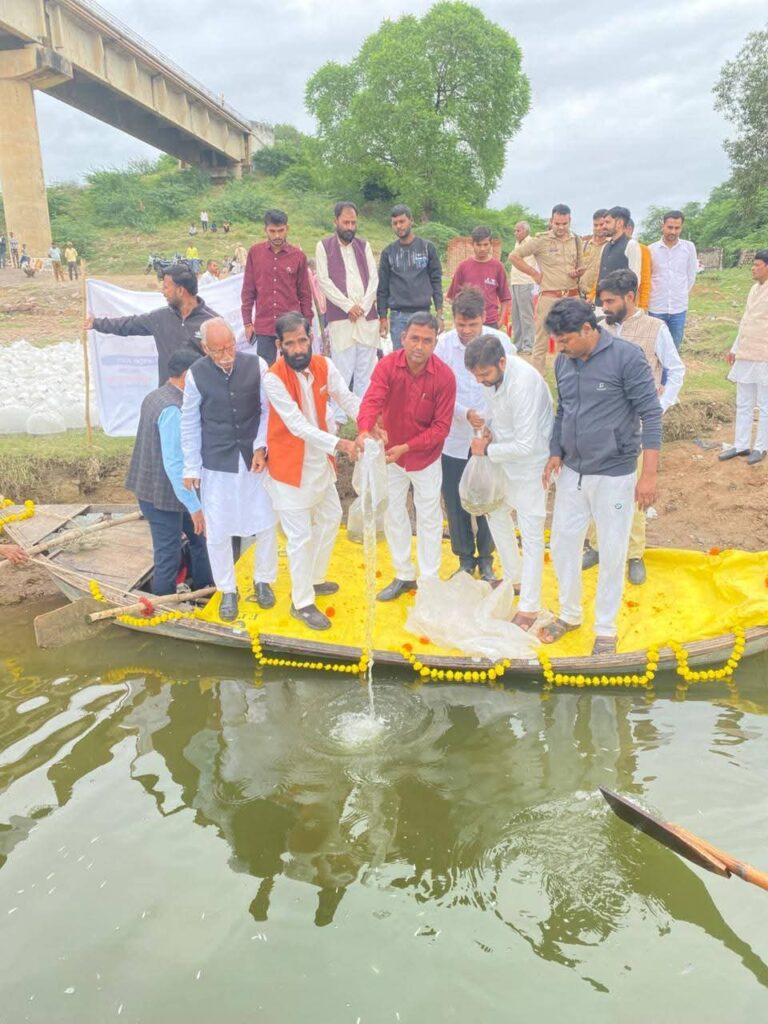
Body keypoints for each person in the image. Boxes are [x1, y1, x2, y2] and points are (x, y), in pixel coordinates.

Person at [540, 299, 662, 656]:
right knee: (562, 545)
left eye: (565, 340)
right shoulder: (564, 361)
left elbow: (651, 415)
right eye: (557, 341)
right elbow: (564, 409)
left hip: (614, 474)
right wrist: (556, 450)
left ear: (587, 329)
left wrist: (649, 475)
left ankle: (606, 628)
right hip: (572, 471)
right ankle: (569, 614)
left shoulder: (627, 357)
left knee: (611, 551)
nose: (560, 348)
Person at [583, 270, 685, 584]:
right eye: (602, 302)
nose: (604, 307)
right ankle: (596, 545)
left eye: (610, 301)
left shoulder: (655, 328)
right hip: (601, 423)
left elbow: (676, 369)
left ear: (630, 297)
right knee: (597, 486)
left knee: (634, 489)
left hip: (636, 426)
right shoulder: (600, 328)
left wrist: (660, 405)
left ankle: (634, 553)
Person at [262, 312, 361, 631]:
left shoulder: (324, 365)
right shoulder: (273, 378)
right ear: (279, 345)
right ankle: (301, 602)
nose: (297, 349)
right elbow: (297, 426)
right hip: (290, 468)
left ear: (311, 339)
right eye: (289, 343)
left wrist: (368, 423)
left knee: (332, 517)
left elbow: (347, 398)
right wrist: (341, 444)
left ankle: (314, 579)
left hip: (321, 462)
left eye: (302, 341)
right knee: (299, 537)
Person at [181, 319, 277, 622]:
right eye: (218, 350)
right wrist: (191, 466)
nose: (227, 355)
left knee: (265, 521)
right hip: (216, 462)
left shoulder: (257, 365)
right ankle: (227, 589)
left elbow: (268, 410)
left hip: (254, 458)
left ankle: (263, 580)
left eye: (230, 347)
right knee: (218, 529)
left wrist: (261, 446)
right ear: (205, 348)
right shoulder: (195, 375)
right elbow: (189, 422)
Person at [357, 313, 456, 601]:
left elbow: (441, 428)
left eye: (427, 341)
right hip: (391, 455)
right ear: (403, 338)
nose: (419, 346)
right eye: (414, 338)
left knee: (429, 515)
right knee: (393, 512)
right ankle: (403, 574)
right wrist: (364, 429)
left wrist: (408, 447)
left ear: (435, 343)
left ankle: (429, 580)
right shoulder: (387, 366)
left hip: (425, 458)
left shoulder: (445, 377)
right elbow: (372, 399)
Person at [464, 334, 554, 629]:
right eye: (476, 376)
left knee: (531, 533)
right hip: (503, 457)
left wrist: (486, 450)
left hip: (531, 464)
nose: (480, 381)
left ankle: (529, 607)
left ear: (502, 362)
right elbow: (497, 411)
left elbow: (527, 444)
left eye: (484, 374)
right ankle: (515, 579)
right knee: (495, 512)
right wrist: (489, 430)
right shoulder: (491, 377)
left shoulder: (523, 383)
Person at [434, 287, 513, 581]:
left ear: (484, 318)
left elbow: (509, 387)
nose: (466, 331)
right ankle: (465, 559)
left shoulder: (500, 342)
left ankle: (487, 559)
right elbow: (439, 392)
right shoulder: (443, 346)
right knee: (456, 500)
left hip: (491, 436)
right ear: (452, 319)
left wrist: (489, 422)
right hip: (455, 436)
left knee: (490, 496)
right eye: (461, 324)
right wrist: (464, 413)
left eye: (473, 324)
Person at [126, 348, 214, 596]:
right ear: (187, 375)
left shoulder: (154, 396)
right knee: (168, 553)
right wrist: (194, 506)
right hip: (165, 496)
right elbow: (175, 464)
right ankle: (163, 604)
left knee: (199, 537)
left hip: (155, 488)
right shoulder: (174, 410)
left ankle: (204, 586)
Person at [87, 262, 219, 384]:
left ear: (180, 291)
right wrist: (96, 323)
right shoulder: (160, 318)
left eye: (166, 287)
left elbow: (223, 364)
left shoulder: (213, 322)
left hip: (201, 398)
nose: (163, 292)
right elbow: (128, 324)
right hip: (168, 396)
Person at [509, 204, 584, 375]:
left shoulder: (576, 240)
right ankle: (538, 378)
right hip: (549, 297)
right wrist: (534, 273)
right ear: (551, 221)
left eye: (564, 224)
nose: (561, 227)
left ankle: (570, 376)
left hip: (572, 296)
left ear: (570, 221)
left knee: (573, 338)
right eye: (557, 223)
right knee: (541, 340)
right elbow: (514, 256)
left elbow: (580, 264)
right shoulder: (541, 240)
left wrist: (578, 272)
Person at [315, 201, 380, 399]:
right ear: (335, 221)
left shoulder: (364, 246)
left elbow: (374, 279)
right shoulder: (324, 246)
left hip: (366, 320)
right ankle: (339, 414)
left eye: (353, 223)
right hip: (342, 320)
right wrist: (348, 307)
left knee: (366, 374)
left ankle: (363, 413)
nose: (350, 227)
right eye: (346, 222)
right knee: (341, 374)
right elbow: (323, 281)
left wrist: (362, 308)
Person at [241, 209, 313, 366]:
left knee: (294, 368)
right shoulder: (255, 253)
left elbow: (305, 294)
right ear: (265, 229)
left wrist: (307, 325)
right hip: (264, 325)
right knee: (266, 370)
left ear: (287, 228)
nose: (277, 236)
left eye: (281, 230)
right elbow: (248, 290)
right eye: (272, 231)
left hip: (292, 326)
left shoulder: (298, 257)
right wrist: (247, 323)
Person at [719, 250, 768, 466]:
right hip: (746, 352)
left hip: (764, 354)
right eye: (753, 264)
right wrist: (734, 348)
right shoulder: (753, 289)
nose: (753, 268)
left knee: (765, 404)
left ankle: (761, 447)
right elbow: (745, 321)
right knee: (744, 402)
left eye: (757, 265)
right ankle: (741, 445)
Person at [377, 204, 444, 350]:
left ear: (411, 221)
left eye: (402, 221)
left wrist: (440, 314)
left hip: (423, 315)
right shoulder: (388, 253)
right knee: (400, 357)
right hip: (398, 317)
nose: (399, 226)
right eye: (395, 223)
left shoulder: (427, 248)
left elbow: (436, 282)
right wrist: (382, 317)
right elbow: (382, 288)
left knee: (423, 355)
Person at [648, 210, 698, 351]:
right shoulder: (651, 250)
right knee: (655, 349)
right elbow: (648, 277)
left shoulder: (689, 248)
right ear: (662, 226)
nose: (673, 231)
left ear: (682, 227)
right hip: (656, 308)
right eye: (670, 227)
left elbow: (691, 275)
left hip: (678, 309)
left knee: (674, 350)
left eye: (677, 228)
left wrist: (680, 294)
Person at [446, 226, 511, 330]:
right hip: (469, 322)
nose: (482, 249)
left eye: (486, 244)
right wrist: (459, 320)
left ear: (491, 244)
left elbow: (505, 297)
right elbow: (453, 298)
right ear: (473, 244)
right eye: (479, 245)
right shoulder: (463, 266)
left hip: (491, 322)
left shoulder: (498, 267)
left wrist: (501, 320)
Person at [596, 207, 642, 304]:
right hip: (601, 302)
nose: (604, 226)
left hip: (620, 305)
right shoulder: (605, 246)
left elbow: (635, 278)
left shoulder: (631, 245)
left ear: (619, 223)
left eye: (608, 222)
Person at [506, 221, 538, 353]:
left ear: (525, 231)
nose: (515, 233)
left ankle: (528, 345)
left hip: (526, 282)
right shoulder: (517, 243)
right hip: (515, 282)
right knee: (515, 315)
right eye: (515, 230)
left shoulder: (531, 242)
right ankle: (517, 345)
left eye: (518, 231)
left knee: (526, 315)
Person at [579, 209, 608, 302]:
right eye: (595, 225)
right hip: (581, 296)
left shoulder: (611, 246)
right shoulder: (584, 245)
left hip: (601, 298)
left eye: (601, 225)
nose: (598, 228)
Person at [625, 220, 651, 310]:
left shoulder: (642, 249)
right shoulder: (610, 248)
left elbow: (645, 280)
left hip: (634, 302)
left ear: (629, 230)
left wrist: (643, 306)